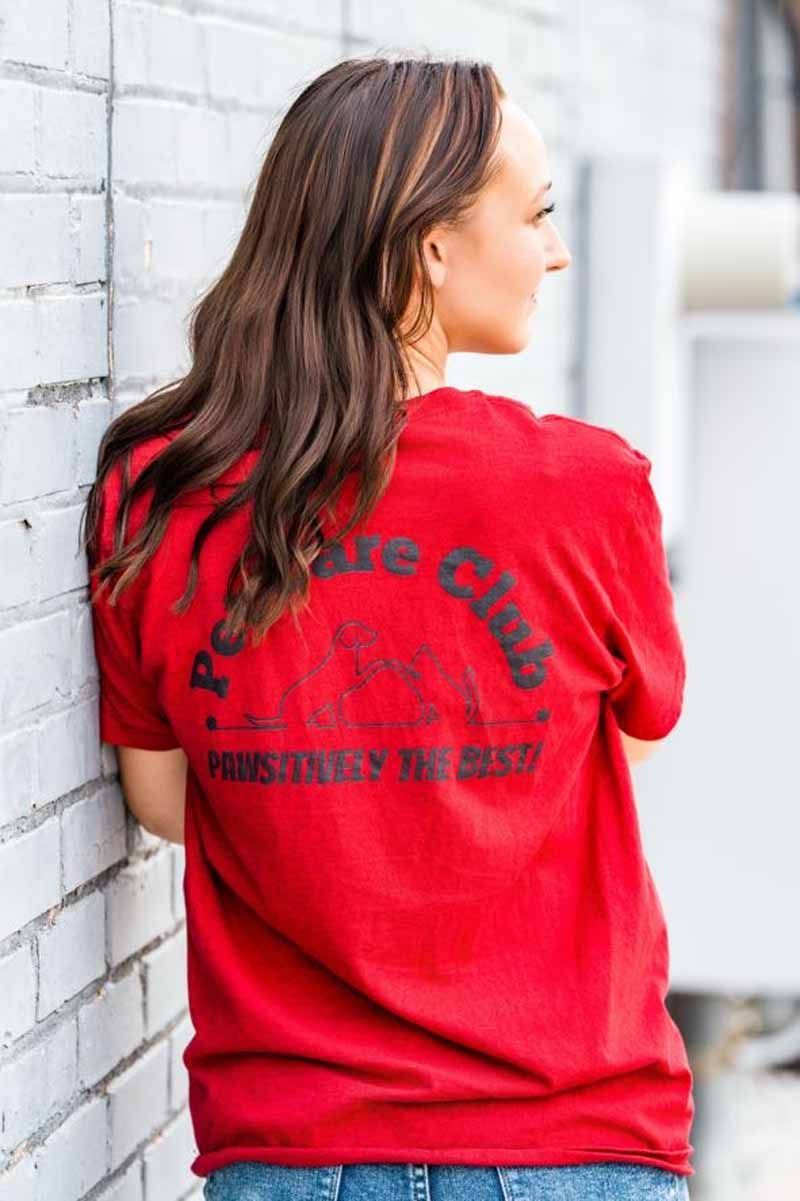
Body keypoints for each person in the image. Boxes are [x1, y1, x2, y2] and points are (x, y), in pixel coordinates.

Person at [82, 55, 694, 1201]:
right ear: (429, 247)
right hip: (563, 1139)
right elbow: (624, 746)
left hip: (290, 1151)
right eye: (536, 215)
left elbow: (165, 800)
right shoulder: (584, 487)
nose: (555, 252)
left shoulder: (158, 488)